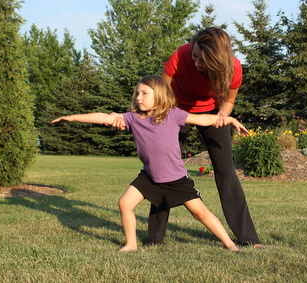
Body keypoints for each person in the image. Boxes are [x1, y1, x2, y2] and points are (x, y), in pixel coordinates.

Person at [51, 75, 249, 252]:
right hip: (150, 177)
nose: (138, 97)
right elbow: (104, 117)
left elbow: (203, 119)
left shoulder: (174, 115)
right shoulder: (133, 118)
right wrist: (72, 118)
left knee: (200, 213)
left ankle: (229, 244)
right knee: (124, 203)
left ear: (160, 96)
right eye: (137, 93)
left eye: (145, 93)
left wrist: (230, 120)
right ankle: (131, 244)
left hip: (176, 179)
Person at [145, 27, 262, 247]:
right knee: (163, 169)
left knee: (226, 171)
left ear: (218, 60)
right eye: (195, 56)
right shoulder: (181, 55)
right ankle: (154, 239)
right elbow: (160, 92)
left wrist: (221, 116)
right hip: (175, 110)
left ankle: (249, 238)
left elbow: (228, 101)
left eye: (203, 60)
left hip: (211, 113)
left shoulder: (234, 67)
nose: (196, 62)